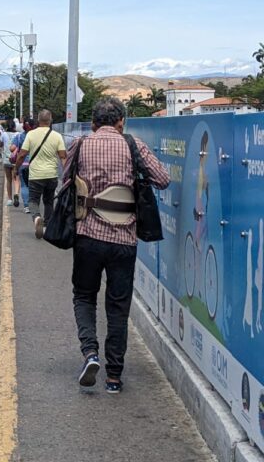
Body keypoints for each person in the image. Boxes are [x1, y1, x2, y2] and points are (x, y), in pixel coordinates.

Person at [64, 97, 169, 394]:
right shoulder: (133, 144)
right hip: (124, 239)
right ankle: (114, 376)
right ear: (121, 121)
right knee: (118, 305)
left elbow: (64, 182)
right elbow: (162, 179)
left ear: (94, 122)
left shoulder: (81, 144)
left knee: (84, 296)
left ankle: (90, 353)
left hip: (87, 237)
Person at [14, 110, 66, 238]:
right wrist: (67, 173)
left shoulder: (31, 135)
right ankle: (47, 227)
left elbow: (22, 155)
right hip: (52, 175)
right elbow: (63, 157)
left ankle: (37, 218)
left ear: (38, 120)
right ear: (51, 120)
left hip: (36, 175)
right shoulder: (57, 136)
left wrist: (16, 168)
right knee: (49, 201)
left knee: (33, 200)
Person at [11, 120, 33, 212]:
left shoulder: (19, 136)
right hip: (34, 164)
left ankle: (26, 206)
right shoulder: (36, 136)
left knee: (24, 185)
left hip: (22, 163)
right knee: (34, 185)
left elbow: (12, 148)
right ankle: (34, 204)